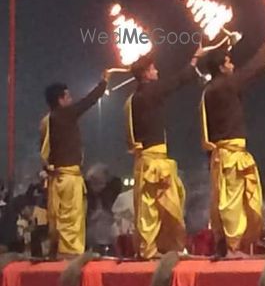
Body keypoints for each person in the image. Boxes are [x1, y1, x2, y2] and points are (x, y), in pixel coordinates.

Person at [200, 36, 265, 257]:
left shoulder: (209, 90)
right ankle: (233, 248)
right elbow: (252, 69)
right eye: (228, 62)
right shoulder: (225, 85)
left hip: (219, 155)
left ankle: (223, 247)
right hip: (230, 154)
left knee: (222, 202)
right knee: (232, 202)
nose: (232, 66)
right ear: (221, 67)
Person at [125, 47, 203, 258]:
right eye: (153, 69)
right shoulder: (151, 92)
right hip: (155, 161)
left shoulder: (133, 99)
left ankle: (155, 248)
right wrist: (195, 59)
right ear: (146, 74)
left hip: (146, 160)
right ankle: (161, 248)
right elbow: (178, 81)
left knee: (153, 207)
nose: (157, 71)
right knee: (165, 207)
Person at [40, 70, 109, 256]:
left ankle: (58, 253)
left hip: (57, 179)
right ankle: (69, 256)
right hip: (68, 179)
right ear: (61, 100)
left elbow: (44, 153)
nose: (71, 100)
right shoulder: (64, 115)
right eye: (68, 96)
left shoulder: (46, 121)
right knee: (71, 219)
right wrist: (103, 83)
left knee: (59, 219)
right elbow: (88, 101)